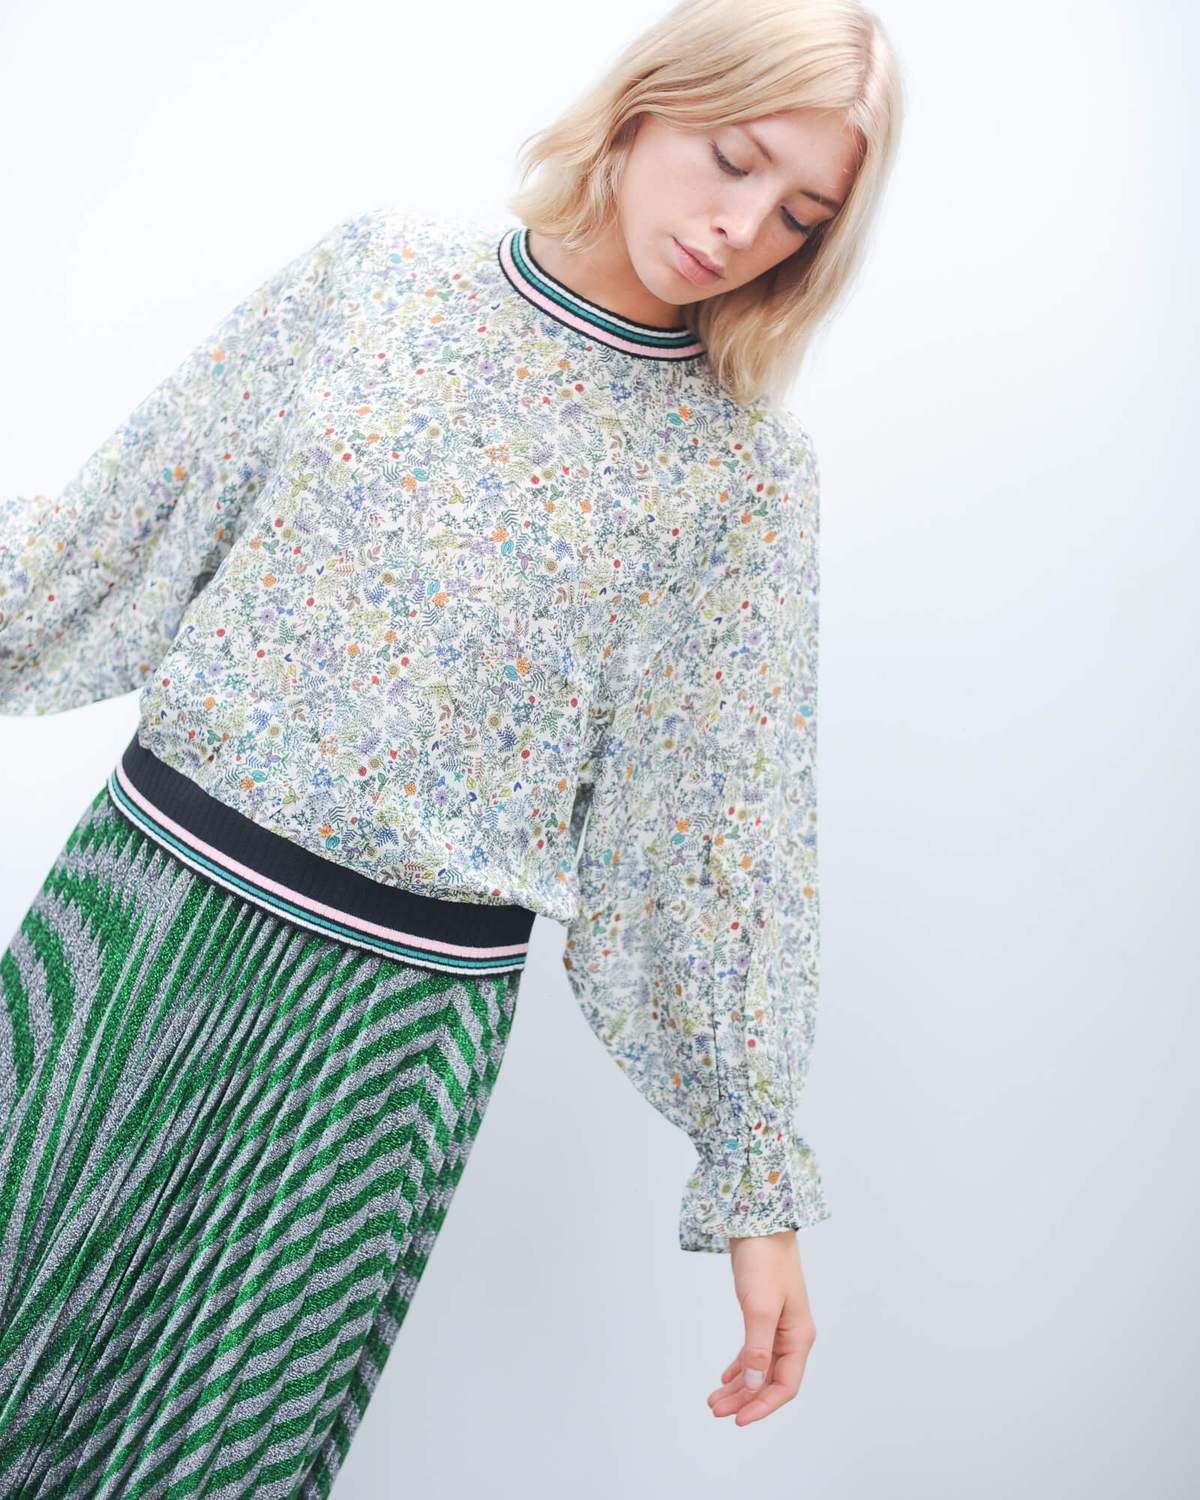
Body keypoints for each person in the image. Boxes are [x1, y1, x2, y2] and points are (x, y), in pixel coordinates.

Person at [0, 0, 904, 1487]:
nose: (742, 228)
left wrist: (756, 1187)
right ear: (646, 107)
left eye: (800, 216)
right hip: (133, 920)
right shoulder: (375, 281)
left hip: (383, 1036)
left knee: (210, 1454)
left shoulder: (741, 478)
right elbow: (109, 541)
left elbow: (719, 841)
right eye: (735, 160)